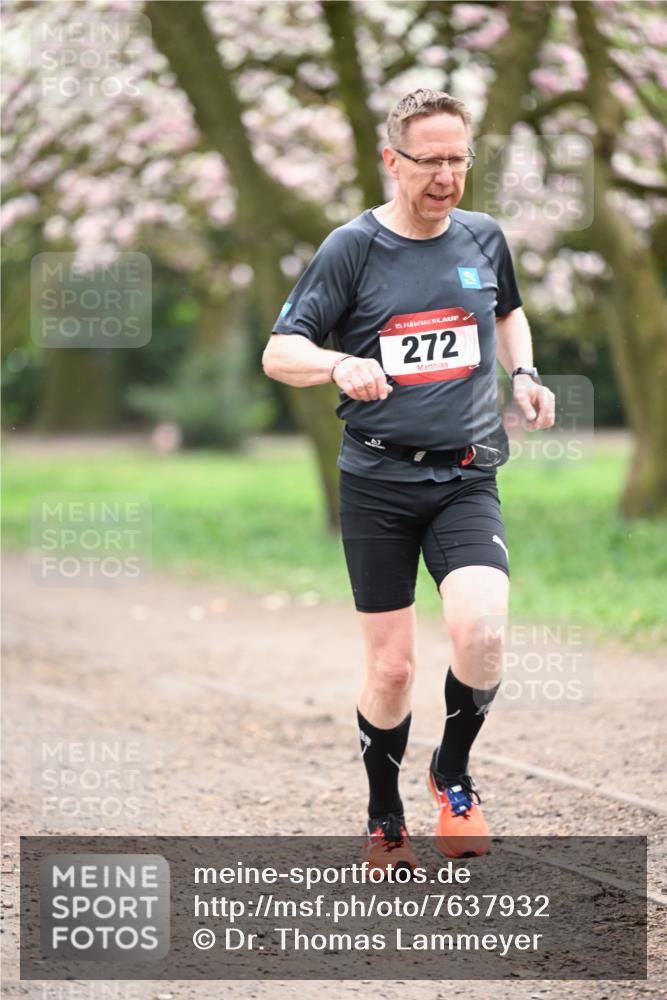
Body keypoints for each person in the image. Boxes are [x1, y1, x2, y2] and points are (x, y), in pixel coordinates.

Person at [262, 89, 555, 870]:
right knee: (391, 669)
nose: (447, 176)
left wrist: (522, 371)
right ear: (392, 160)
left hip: (464, 475)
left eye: (459, 159)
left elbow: (504, 313)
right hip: (377, 483)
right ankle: (382, 812)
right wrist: (339, 362)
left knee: (483, 633)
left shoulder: (483, 237)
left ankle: (451, 773)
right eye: (430, 161)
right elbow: (279, 350)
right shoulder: (350, 249)